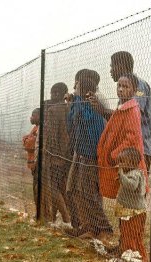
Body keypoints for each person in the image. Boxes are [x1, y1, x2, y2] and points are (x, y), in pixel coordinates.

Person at [65, 69, 113, 242]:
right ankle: (90, 226)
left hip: (91, 152)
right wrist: (74, 102)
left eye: (76, 84)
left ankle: (104, 228)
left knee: (89, 192)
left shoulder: (94, 101)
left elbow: (84, 119)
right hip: (81, 150)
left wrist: (77, 100)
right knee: (78, 190)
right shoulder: (81, 101)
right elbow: (70, 124)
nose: (74, 86)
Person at [89, 51, 151, 172]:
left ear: (122, 66)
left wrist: (102, 110)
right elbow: (120, 119)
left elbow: (129, 116)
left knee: (135, 186)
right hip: (126, 149)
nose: (111, 71)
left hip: (138, 150)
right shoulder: (124, 87)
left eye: (112, 66)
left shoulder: (139, 86)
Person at [97, 73, 149, 199]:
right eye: (119, 85)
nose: (120, 89)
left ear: (134, 90)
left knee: (130, 200)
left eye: (125, 86)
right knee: (123, 199)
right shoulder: (122, 108)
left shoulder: (132, 110)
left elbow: (132, 138)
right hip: (123, 160)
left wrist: (115, 155)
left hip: (127, 161)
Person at [45, 82, 71, 225]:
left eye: (55, 93)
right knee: (63, 187)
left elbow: (51, 135)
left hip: (55, 155)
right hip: (69, 154)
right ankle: (55, 217)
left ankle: (66, 218)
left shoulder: (53, 110)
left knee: (53, 187)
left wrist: (48, 153)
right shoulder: (69, 107)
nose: (53, 96)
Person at [114, 148, 147, 261]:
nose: (120, 164)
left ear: (132, 163)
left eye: (122, 162)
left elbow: (131, 185)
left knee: (129, 236)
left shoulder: (135, 174)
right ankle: (141, 257)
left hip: (132, 213)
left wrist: (121, 174)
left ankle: (131, 257)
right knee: (133, 237)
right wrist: (122, 177)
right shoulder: (133, 172)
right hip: (132, 211)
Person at [22, 108, 42, 217]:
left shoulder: (38, 129)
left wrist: (26, 139)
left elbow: (28, 144)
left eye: (33, 115)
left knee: (37, 189)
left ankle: (40, 213)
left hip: (36, 163)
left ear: (39, 116)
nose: (31, 117)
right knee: (35, 188)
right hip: (33, 163)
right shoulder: (35, 128)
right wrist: (27, 140)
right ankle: (38, 212)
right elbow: (27, 142)